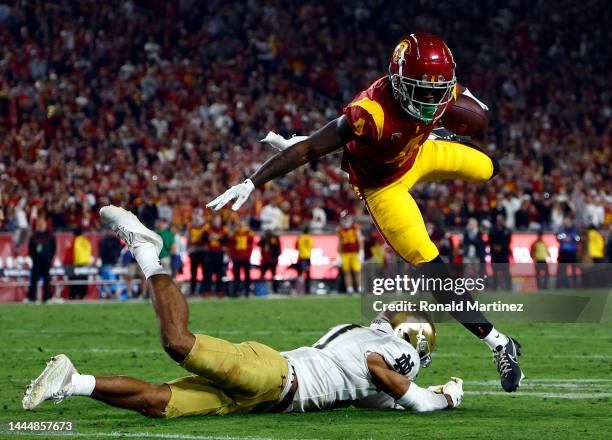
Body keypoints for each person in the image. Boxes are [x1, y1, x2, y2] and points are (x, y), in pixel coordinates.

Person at [208, 32, 523, 391]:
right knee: (431, 267)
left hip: (419, 153)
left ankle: (433, 139)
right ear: (399, 83)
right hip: (383, 185)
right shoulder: (370, 112)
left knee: (489, 167)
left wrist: (472, 112)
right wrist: (253, 181)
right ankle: (500, 343)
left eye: (438, 92)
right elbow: (312, 149)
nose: (431, 101)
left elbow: (472, 112)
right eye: (421, 92)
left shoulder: (439, 87)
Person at [23, 205, 464, 417]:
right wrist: (446, 397)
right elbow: (408, 394)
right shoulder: (387, 349)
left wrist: (431, 391)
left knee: (160, 405)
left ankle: (73, 381)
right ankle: (146, 250)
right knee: (178, 343)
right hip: (274, 375)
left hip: (264, 399)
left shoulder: (369, 346)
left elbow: (382, 397)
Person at [26, 217, 56, 304]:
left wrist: (50, 258)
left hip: (46, 262)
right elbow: (30, 249)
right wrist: (34, 258)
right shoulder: (34, 236)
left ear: (45, 225)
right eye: (39, 224)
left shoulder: (50, 236)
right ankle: (31, 298)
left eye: (43, 223)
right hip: (36, 262)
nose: (41, 225)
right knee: (34, 280)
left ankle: (46, 298)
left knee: (47, 281)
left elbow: (53, 248)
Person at [202, 214, 228, 298]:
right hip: (209, 253)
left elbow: (226, 240)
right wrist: (209, 238)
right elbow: (203, 239)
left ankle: (219, 291)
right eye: (215, 220)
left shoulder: (223, 230)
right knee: (207, 273)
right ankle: (207, 291)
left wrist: (217, 238)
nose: (216, 221)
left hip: (219, 253)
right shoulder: (208, 229)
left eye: (218, 219)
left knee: (220, 273)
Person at [337, 210, 363, 293]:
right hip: (345, 253)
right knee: (346, 271)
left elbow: (360, 239)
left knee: (357, 271)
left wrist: (361, 251)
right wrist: (339, 255)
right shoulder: (340, 229)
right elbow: (340, 242)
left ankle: (359, 287)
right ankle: (349, 288)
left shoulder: (355, 227)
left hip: (355, 252)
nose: (345, 221)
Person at [228, 218, 254, 297]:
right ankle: (236, 292)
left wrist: (248, 255)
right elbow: (231, 245)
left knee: (247, 276)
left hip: (245, 257)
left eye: (242, 222)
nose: (241, 223)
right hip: (236, 258)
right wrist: (232, 256)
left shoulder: (249, 232)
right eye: (240, 222)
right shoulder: (235, 233)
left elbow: (251, 245)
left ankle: (247, 292)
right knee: (236, 276)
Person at [488, 214, 512, 291]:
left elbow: (508, 242)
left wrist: (501, 247)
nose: (499, 221)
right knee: (495, 272)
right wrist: (494, 247)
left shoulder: (507, 230)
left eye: (501, 220)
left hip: (504, 255)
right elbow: (490, 241)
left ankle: (508, 288)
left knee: (506, 272)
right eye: (498, 220)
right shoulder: (492, 230)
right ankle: (494, 288)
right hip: (495, 255)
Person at [98, 228, 123, 299]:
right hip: (107, 263)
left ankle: (113, 294)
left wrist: (116, 258)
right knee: (108, 280)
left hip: (112, 263)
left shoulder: (114, 240)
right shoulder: (104, 240)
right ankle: (110, 294)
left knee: (112, 279)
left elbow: (119, 250)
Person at [68, 228, 92, 300]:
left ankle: (73, 296)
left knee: (74, 281)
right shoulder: (86, 241)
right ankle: (82, 296)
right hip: (86, 264)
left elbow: (71, 253)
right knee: (83, 281)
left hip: (76, 264)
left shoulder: (75, 241)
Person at [556, 217, 580, 288]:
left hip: (572, 252)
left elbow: (578, 238)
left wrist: (573, 237)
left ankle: (574, 285)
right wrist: (563, 237)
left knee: (573, 269)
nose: (566, 223)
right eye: (565, 222)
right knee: (562, 270)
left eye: (568, 222)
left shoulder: (575, 230)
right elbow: (558, 237)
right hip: (563, 252)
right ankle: (562, 285)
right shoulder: (562, 230)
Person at [187, 215, 207, 296]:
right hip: (194, 252)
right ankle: (193, 291)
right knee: (193, 273)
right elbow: (188, 241)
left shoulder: (205, 229)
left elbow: (205, 240)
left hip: (202, 252)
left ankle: (203, 291)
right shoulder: (191, 229)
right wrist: (189, 250)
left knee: (204, 273)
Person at [295, 226, 313, 294]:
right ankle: (307, 290)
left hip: (301, 258)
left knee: (300, 274)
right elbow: (311, 247)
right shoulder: (310, 238)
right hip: (308, 258)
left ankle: (299, 290)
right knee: (307, 274)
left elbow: (296, 247)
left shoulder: (300, 238)